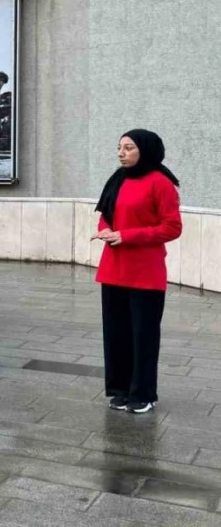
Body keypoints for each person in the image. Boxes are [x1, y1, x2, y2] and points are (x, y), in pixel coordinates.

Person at [93, 129, 182, 414]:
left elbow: (172, 227)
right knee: (116, 334)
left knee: (143, 335)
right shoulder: (118, 179)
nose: (121, 153)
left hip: (145, 273)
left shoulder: (161, 183)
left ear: (145, 150)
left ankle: (143, 393)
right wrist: (105, 230)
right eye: (119, 147)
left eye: (128, 148)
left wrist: (128, 236)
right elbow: (106, 216)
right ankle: (119, 389)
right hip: (113, 269)